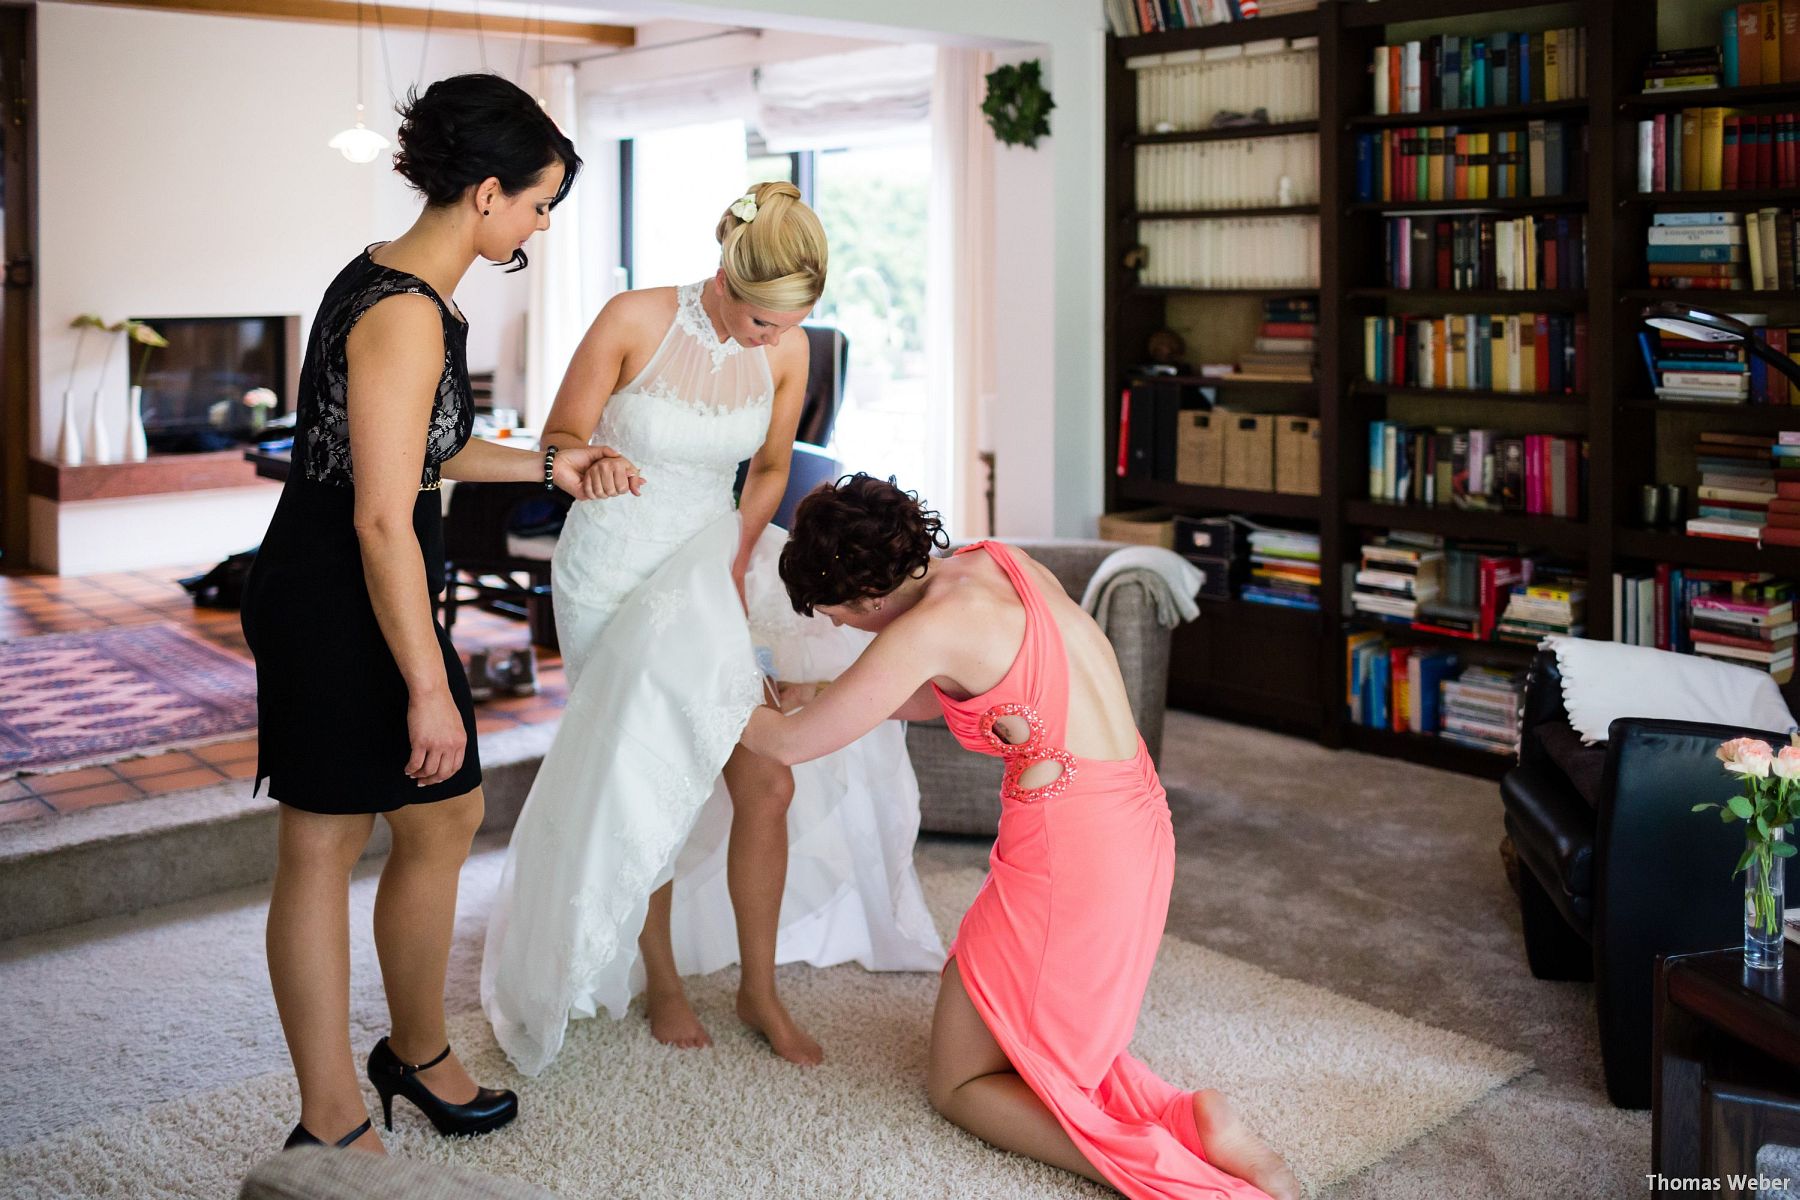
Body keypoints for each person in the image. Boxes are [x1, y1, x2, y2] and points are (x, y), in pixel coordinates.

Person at [480, 181, 941, 1077]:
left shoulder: (788, 350)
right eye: (762, 322)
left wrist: (732, 556)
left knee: (764, 784)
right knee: (649, 773)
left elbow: (771, 464)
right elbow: (560, 435)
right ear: (727, 274)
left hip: (710, 561)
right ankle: (662, 980)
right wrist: (591, 456)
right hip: (612, 568)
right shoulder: (631, 318)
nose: (770, 341)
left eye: (788, 326)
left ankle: (758, 988)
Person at [240, 73, 622, 1153]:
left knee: (443, 813)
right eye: (541, 202)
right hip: (338, 592)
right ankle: (330, 1121)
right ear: (488, 193)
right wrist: (425, 684)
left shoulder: (402, 282)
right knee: (323, 839)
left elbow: (430, 451)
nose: (543, 223)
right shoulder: (405, 314)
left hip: (367, 576)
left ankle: (413, 1053)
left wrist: (553, 459)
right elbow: (377, 516)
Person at [738, 475, 1300, 1200]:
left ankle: (1173, 1166)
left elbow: (786, 746)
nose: (840, 627)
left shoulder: (924, 630)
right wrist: (833, 692)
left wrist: (713, 693)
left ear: (871, 598)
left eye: (838, 613)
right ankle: (1189, 1117)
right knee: (987, 1020)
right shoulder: (994, 561)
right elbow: (956, 688)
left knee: (961, 1084)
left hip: (1076, 856)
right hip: (1128, 821)